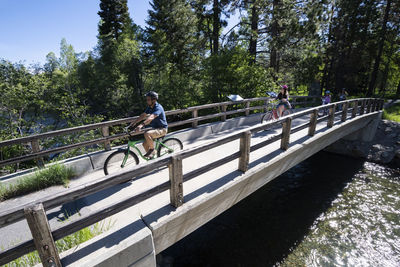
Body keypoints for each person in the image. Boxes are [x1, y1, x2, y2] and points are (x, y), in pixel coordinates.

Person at [127, 91, 168, 159]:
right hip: (155, 129)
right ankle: (152, 157)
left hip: (162, 129)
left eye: (148, 99)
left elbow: (151, 117)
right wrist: (134, 122)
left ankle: (152, 150)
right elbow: (143, 115)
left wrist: (141, 125)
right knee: (144, 144)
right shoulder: (150, 107)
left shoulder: (158, 108)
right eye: (147, 99)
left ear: (154, 100)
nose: (147, 101)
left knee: (147, 134)